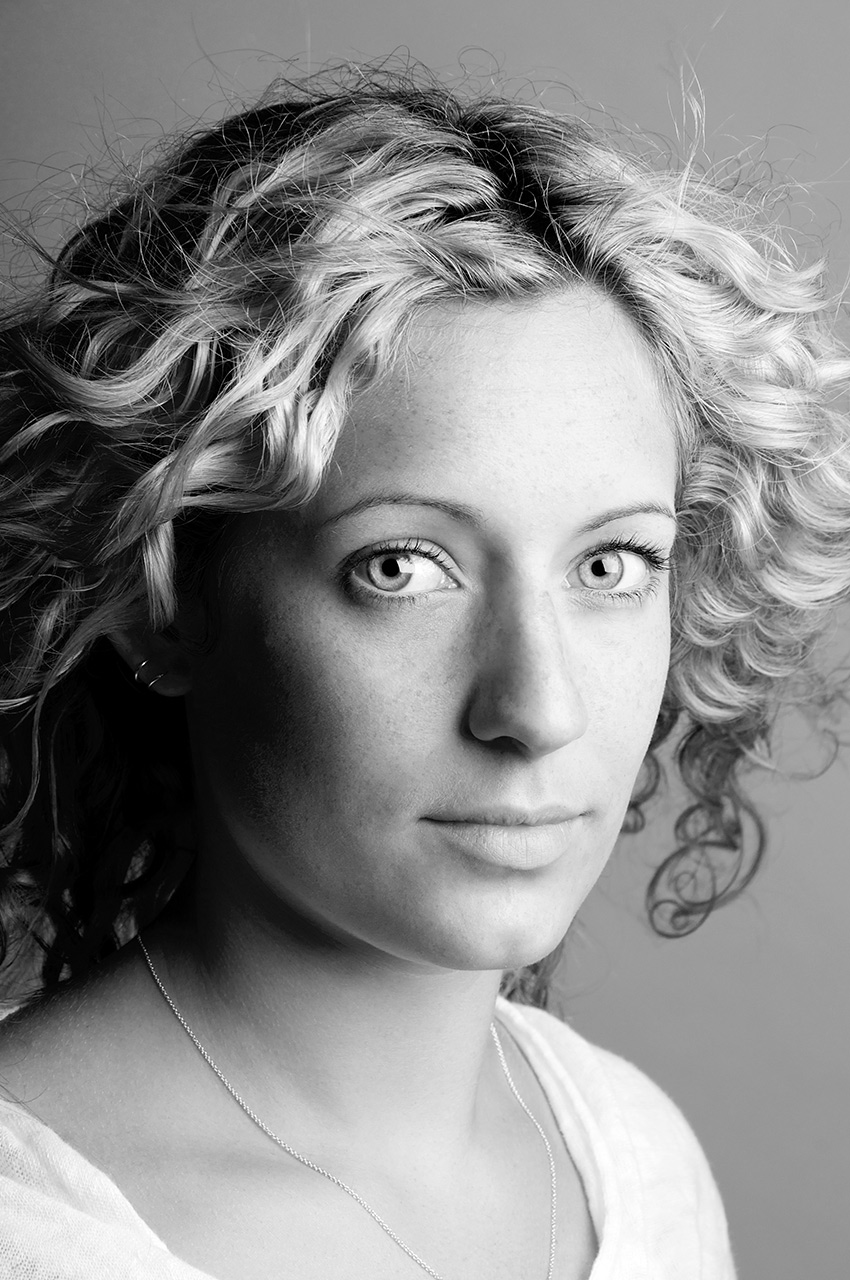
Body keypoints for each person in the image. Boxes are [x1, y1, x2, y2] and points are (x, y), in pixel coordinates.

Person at [0, 64, 848, 1280]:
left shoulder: (636, 1160)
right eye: (401, 567)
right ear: (161, 606)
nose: (537, 709)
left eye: (609, 564)